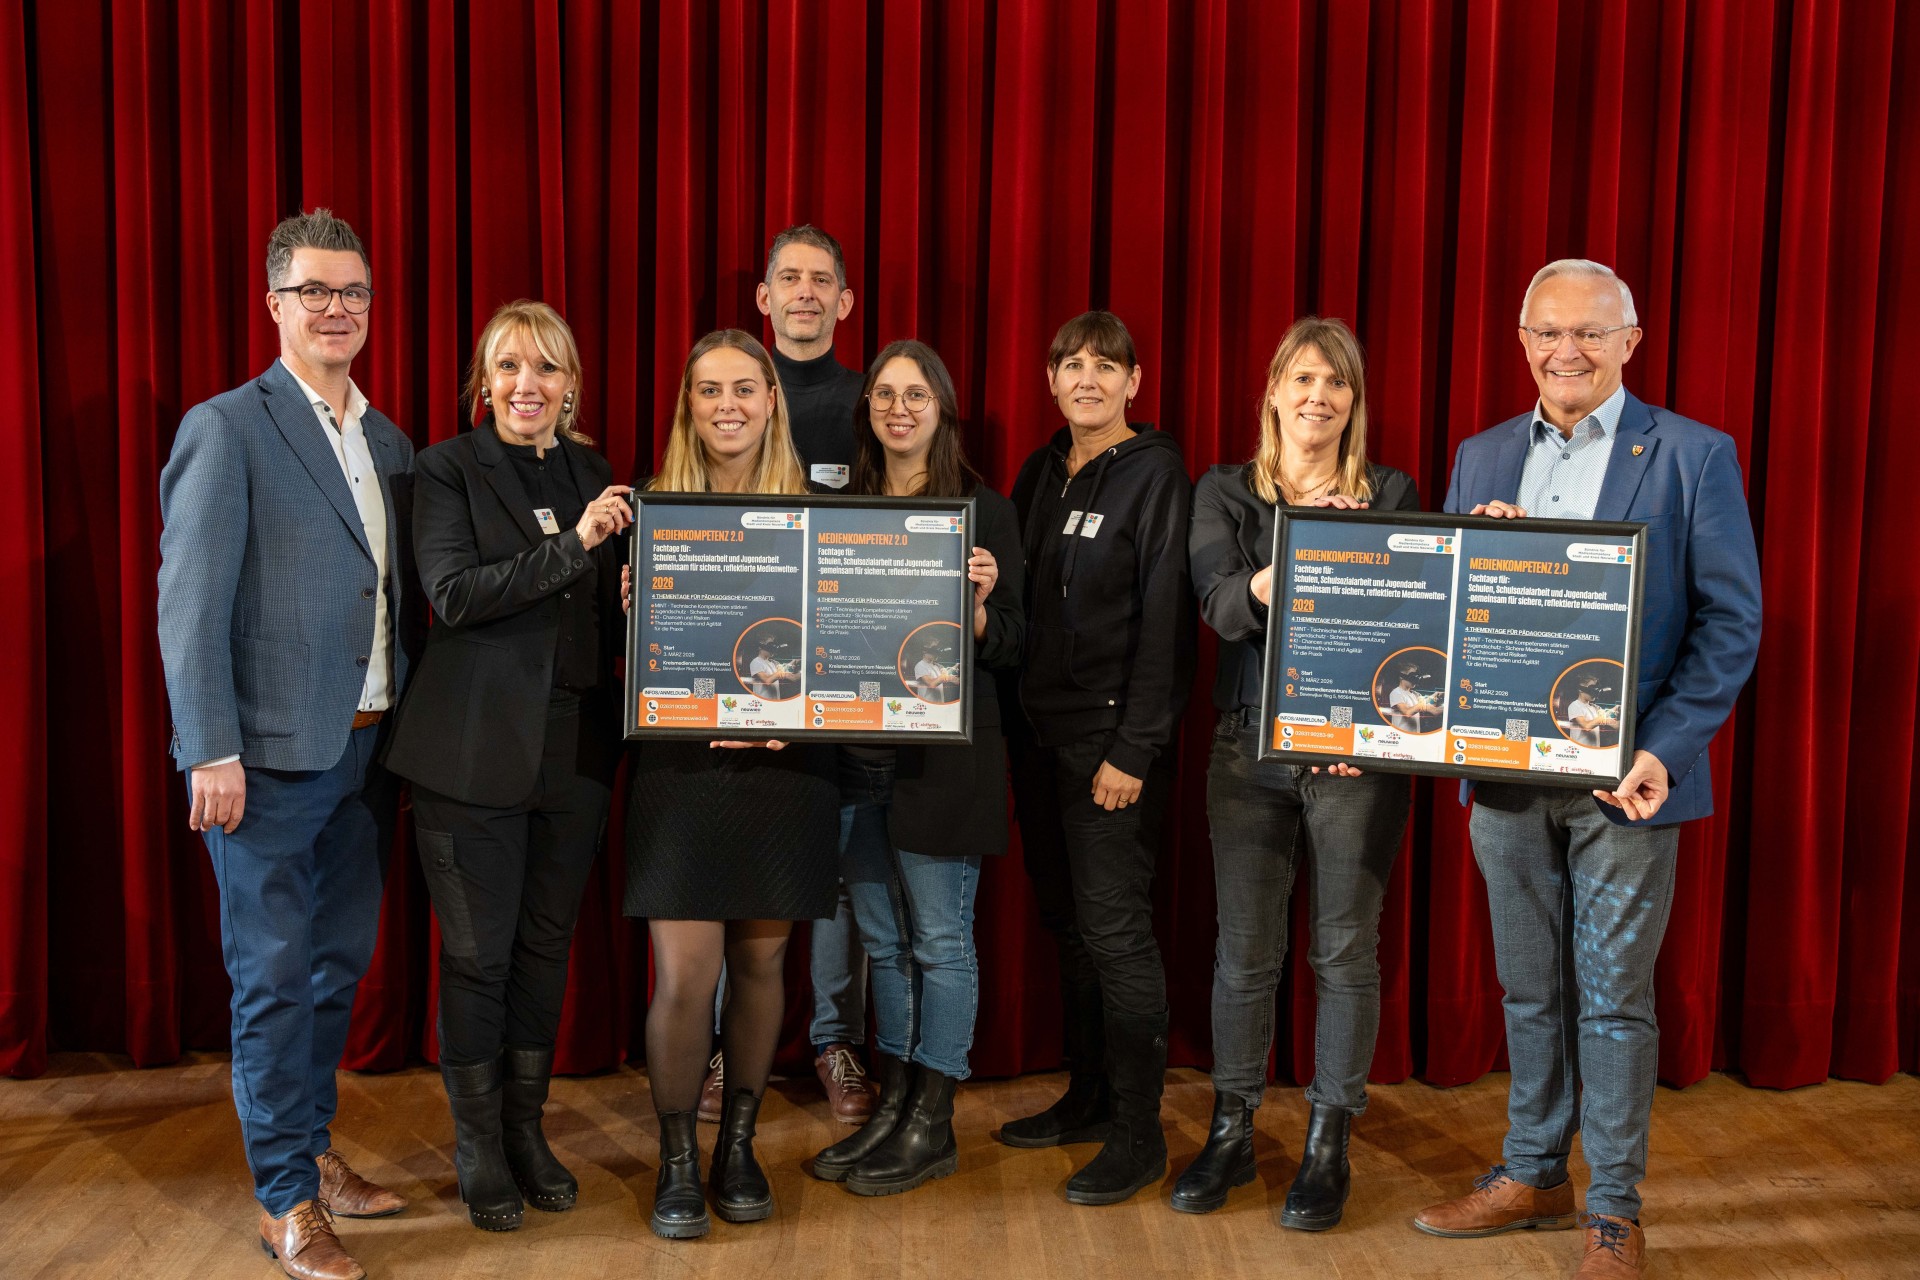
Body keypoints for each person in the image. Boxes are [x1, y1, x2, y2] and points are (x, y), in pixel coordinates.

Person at [1415, 260, 1762, 1279]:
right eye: (1548, 332)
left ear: (1630, 341)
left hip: (1629, 781)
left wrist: (1662, 749)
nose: (1566, 351)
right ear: (1522, 341)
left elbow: (1730, 624)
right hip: (1505, 775)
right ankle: (1533, 1171)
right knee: (1528, 988)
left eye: (1590, 332)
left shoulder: (1694, 454)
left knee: (1611, 998)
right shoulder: (1481, 456)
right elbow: (1443, 616)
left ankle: (1612, 1207)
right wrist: (1466, 562)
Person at [157, 208, 418, 1280]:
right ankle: (283, 1201)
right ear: (274, 303)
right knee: (270, 980)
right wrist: (208, 747)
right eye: (315, 290)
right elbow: (189, 602)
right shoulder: (228, 426)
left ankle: (310, 1151)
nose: (335, 308)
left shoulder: (390, 442)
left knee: (332, 968)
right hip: (261, 762)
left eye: (352, 291)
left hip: (366, 753)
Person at [381, 301, 632, 1231]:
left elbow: (601, 611)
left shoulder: (593, 472)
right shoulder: (446, 468)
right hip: (471, 751)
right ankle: (478, 1146)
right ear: (483, 383)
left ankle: (526, 1132)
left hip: (578, 751)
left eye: (547, 367)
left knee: (544, 948)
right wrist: (577, 546)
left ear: (571, 385)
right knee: (478, 957)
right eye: (510, 367)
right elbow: (454, 595)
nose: (529, 384)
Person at [1181, 317, 1416, 1228]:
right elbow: (1220, 604)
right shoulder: (1224, 491)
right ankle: (1232, 1130)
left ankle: (1328, 1139)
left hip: (1357, 753)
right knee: (1244, 953)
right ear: (1274, 390)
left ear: (1354, 402)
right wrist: (1307, 561)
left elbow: (1409, 620)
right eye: (1304, 378)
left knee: (1344, 950)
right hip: (1249, 748)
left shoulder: (1390, 492)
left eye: (1337, 382)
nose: (1319, 396)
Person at [625, 329, 841, 1239]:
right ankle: (678, 1158)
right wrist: (632, 614)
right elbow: (617, 666)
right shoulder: (648, 511)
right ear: (689, 404)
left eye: (745, 388)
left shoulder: (824, 519)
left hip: (786, 773)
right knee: (686, 976)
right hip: (682, 773)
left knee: (760, 964)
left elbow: (848, 654)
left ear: (771, 401)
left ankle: (738, 1149)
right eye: (710, 389)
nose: (728, 405)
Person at [807, 341, 1025, 1196]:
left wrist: (979, 613)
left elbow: (1016, 642)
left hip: (942, 767)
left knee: (940, 942)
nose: (899, 409)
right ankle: (895, 1105)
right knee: (884, 944)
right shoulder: (840, 512)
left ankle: (934, 1123)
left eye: (916, 395)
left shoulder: (984, 511)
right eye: (885, 395)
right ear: (866, 409)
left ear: (943, 408)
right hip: (852, 766)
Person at [1000, 311, 1194, 1206]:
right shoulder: (1038, 471)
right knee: (1070, 927)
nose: (1087, 379)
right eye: (1071, 364)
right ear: (1050, 380)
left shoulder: (1156, 476)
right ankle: (1089, 1096)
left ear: (1133, 382)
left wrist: (1135, 749)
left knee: (1116, 936)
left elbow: (1167, 624)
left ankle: (1139, 1134)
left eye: (1105, 366)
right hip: (1036, 738)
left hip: (1110, 748)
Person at [695, 225, 874, 1126]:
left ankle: (835, 1040)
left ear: (844, 301)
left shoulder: (872, 402)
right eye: (789, 279)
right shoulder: (729, 395)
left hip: (840, 676)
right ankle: (728, 1051)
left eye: (821, 280)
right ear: (764, 298)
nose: (805, 292)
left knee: (835, 875)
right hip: (740, 679)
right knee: (740, 873)